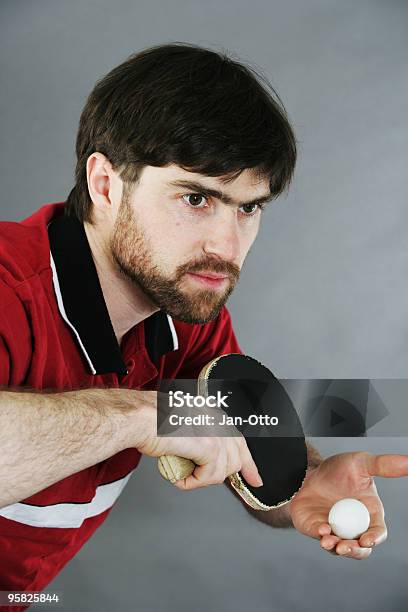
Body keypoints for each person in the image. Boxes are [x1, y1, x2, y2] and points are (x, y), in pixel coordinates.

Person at [0, 43, 407, 603]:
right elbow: (160, 418)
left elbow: (238, 428)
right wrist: (142, 415)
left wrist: (306, 482)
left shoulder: (185, 304)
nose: (226, 246)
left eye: (249, 208)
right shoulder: (9, 289)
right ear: (105, 184)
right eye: (196, 198)